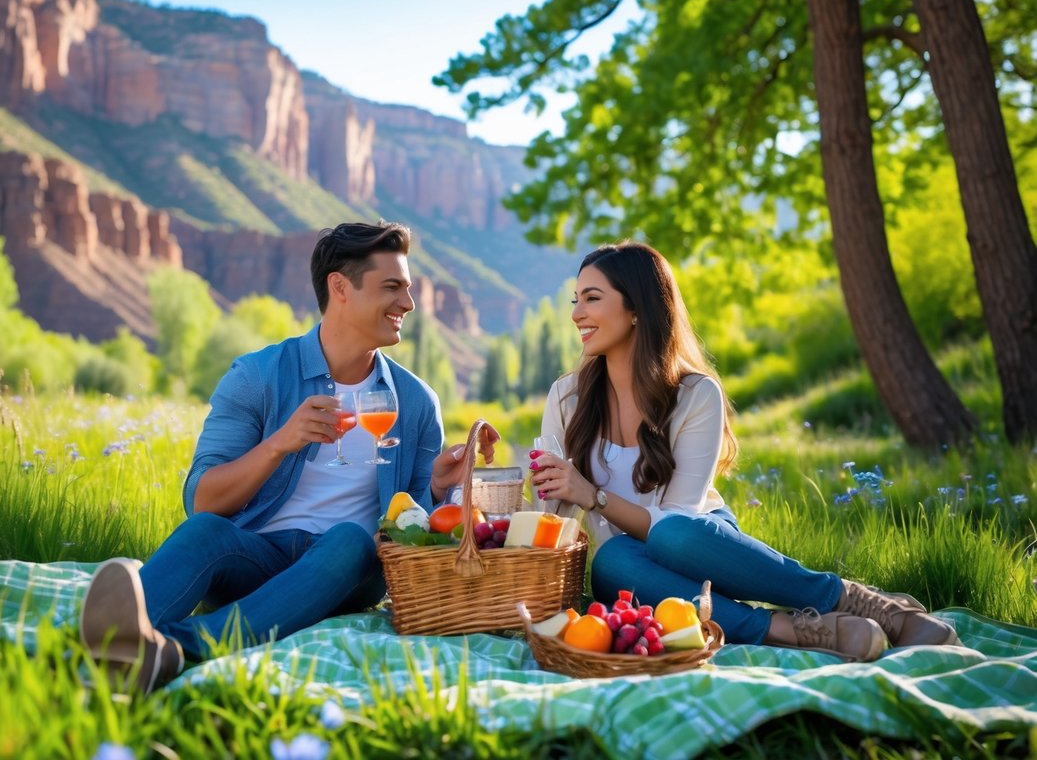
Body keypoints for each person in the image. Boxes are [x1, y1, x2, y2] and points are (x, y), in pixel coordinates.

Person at [79, 221, 497, 692]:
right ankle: (101, 646)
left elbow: (412, 530)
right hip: (255, 560)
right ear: (340, 287)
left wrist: (439, 487)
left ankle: (169, 645)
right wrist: (279, 443)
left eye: (408, 288)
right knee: (204, 532)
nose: (409, 303)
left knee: (349, 539)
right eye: (392, 287)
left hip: (344, 572)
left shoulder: (416, 402)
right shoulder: (257, 376)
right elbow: (204, 500)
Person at [529, 241, 959, 662]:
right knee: (612, 561)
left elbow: (679, 516)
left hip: (699, 541)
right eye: (575, 299)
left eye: (592, 298)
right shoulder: (567, 397)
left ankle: (854, 601)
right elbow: (551, 513)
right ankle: (788, 631)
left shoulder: (695, 394)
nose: (576, 313)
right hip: (634, 565)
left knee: (671, 534)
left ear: (637, 307)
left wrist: (595, 497)